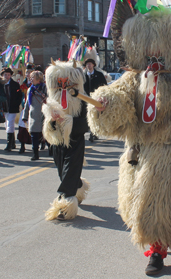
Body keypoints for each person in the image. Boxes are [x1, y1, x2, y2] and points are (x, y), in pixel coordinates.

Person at [87, 11, 171, 275]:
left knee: (158, 207)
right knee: (131, 206)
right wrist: (106, 102)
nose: (154, 54)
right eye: (149, 48)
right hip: (136, 152)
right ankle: (154, 242)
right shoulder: (133, 78)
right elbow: (119, 97)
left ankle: (158, 252)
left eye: (160, 48)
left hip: (166, 157)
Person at [42, 59, 90, 221]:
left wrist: (68, 121)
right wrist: (52, 121)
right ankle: (77, 186)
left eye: (67, 80)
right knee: (62, 170)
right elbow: (48, 122)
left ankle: (65, 204)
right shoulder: (53, 97)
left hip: (75, 139)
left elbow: (86, 123)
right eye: (60, 80)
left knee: (69, 170)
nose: (64, 83)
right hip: (58, 140)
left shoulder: (82, 98)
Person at [83, 51, 107, 142]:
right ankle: (92, 133)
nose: (88, 66)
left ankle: (95, 133)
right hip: (87, 98)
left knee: (96, 116)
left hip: (97, 98)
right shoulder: (84, 75)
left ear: (93, 65)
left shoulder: (99, 74)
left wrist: (102, 95)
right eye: (87, 64)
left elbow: (104, 85)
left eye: (90, 64)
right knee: (89, 115)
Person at [22, 70, 46, 161]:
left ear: (38, 79)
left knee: (46, 134)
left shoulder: (44, 88)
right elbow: (27, 103)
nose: (31, 79)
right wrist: (25, 115)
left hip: (44, 114)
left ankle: (51, 149)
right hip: (33, 115)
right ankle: (35, 153)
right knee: (34, 135)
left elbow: (49, 100)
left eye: (33, 77)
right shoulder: (30, 89)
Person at [1, 67, 22, 151]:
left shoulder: (15, 84)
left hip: (12, 107)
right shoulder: (1, 84)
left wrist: (16, 104)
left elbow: (19, 96)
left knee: (10, 124)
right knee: (7, 125)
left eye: (8, 75)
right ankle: (13, 143)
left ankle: (9, 143)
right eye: (5, 75)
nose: (6, 76)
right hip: (4, 108)